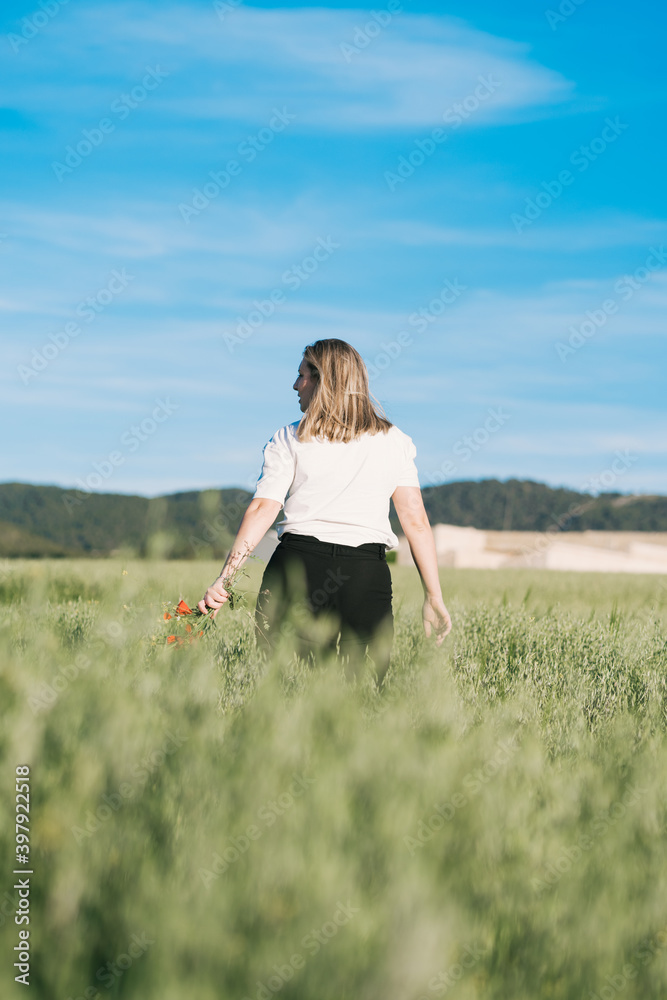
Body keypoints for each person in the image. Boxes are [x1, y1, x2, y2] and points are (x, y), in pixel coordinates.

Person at [198, 339, 451, 685]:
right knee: (359, 697)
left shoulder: (290, 438)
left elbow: (262, 509)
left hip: (298, 569)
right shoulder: (395, 441)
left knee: (280, 688)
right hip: (366, 576)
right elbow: (416, 522)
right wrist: (433, 596)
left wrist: (223, 580)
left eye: (301, 375)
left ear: (322, 381)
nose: (295, 385)